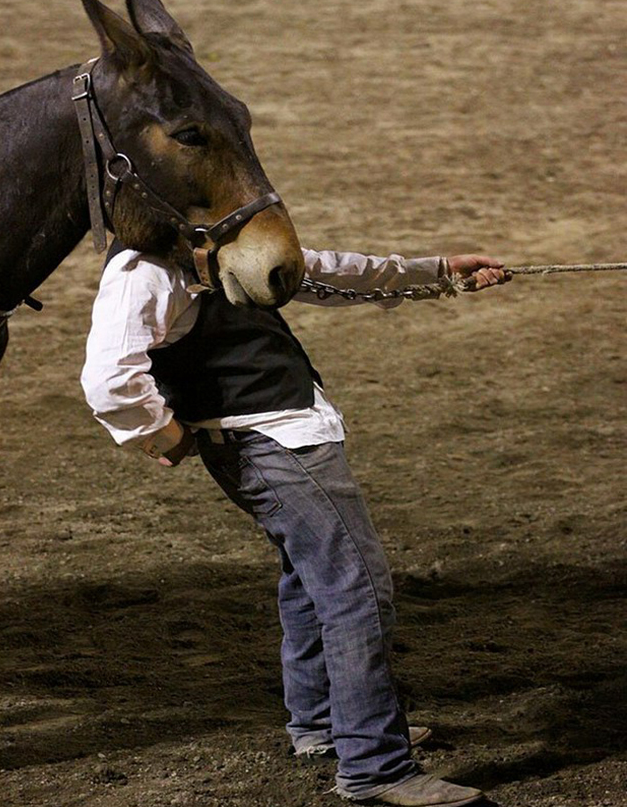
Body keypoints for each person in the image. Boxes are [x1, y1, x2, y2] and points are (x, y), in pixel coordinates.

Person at [81, 242, 508, 806]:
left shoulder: (210, 242)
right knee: (355, 590)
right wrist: (163, 435)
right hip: (275, 443)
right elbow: (109, 379)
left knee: (311, 579)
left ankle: (324, 725)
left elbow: (318, 270)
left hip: (272, 438)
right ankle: (375, 766)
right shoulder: (146, 267)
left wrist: (435, 274)